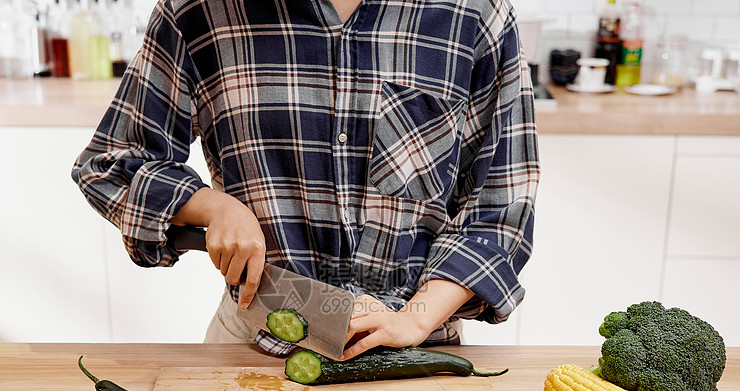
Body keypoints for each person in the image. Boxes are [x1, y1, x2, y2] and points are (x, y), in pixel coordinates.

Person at [72, 0, 539, 360]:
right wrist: (213, 206)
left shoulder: (476, 14)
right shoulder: (200, 11)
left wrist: (414, 321)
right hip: (254, 343)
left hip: (420, 350)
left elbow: (501, 207)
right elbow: (112, 162)